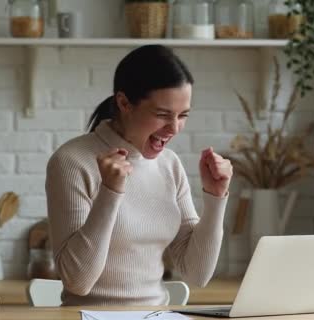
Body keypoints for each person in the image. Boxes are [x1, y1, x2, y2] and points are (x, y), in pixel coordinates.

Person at [45, 44, 233, 306]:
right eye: (162, 115)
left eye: (183, 115)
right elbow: (78, 281)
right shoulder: (72, 161)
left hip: (157, 315)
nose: (175, 128)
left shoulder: (170, 165)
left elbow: (197, 273)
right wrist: (110, 193)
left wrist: (215, 197)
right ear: (124, 103)